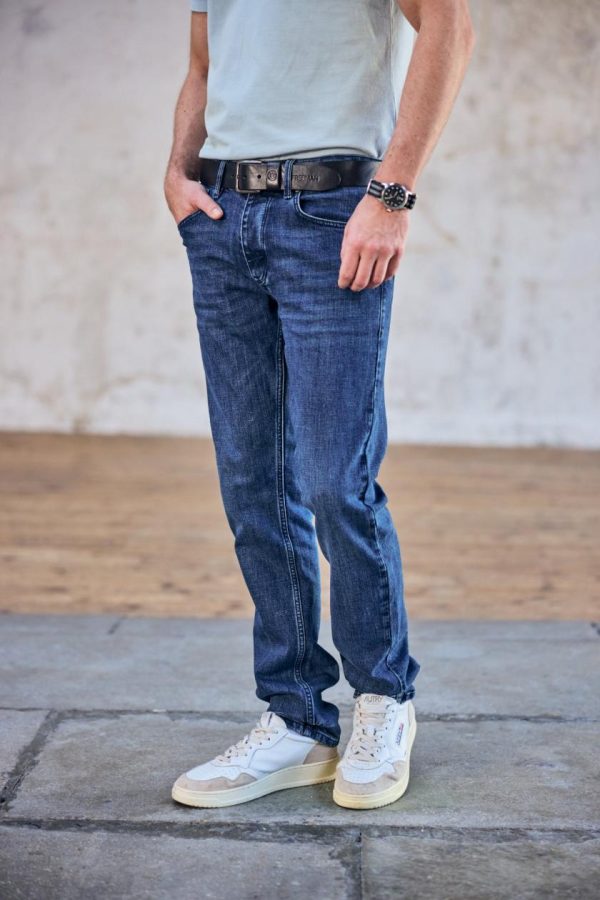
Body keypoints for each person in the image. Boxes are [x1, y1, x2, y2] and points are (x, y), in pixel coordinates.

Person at [165, 0, 475, 811]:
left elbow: (450, 27)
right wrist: (178, 171)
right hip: (223, 215)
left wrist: (393, 194)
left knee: (338, 481)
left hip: (331, 209)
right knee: (253, 485)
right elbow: (204, 63)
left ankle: (383, 698)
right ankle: (297, 716)